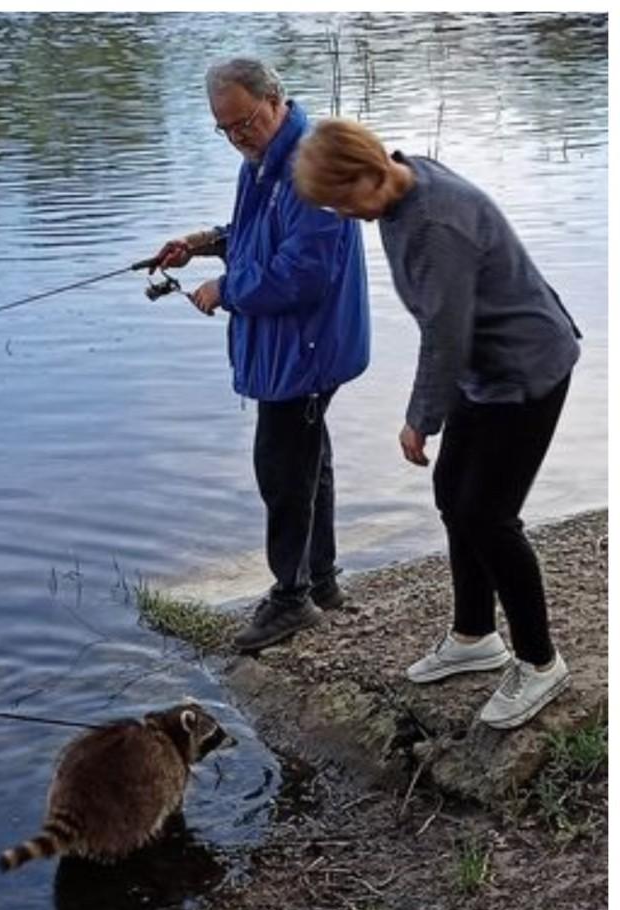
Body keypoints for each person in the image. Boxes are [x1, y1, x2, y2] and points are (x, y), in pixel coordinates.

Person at [293, 118, 580, 729]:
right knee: (454, 495)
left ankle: (539, 661)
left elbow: (444, 339)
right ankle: (476, 635)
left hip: (525, 369)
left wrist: (418, 420)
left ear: (368, 172)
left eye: (344, 201)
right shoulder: (405, 176)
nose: (344, 214)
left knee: (488, 515)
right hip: (486, 370)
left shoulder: (433, 224)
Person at [149, 58, 370, 653]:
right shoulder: (262, 162)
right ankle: (320, 583)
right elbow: (259, 236)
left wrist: (227, 290)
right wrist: (204, 245)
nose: (236, 136)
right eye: (224, 128)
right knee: (305, 459)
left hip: (308, 347)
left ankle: (291, 599)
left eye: (244, 121)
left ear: (275, 100)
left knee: (282, 468)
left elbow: (304, 272)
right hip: (289, 348)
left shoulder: (311, 165)